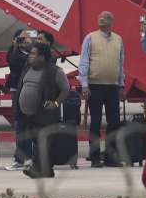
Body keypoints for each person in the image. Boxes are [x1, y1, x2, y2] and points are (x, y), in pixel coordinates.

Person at [80, 11, 125, 168]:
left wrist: (121, 85)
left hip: (113, 86)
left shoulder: (118, 39)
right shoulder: (90, 37)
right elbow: (84, 61)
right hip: (95, 86)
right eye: (99, 17)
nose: (101, 19)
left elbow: (120, 64)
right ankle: (94, 157)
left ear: (112, 21)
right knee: (96, 122)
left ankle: (111, 157)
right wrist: (84, 84)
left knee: (114, 122)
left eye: (105, 17)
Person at [21, 42, 70, 179]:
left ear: (42, 57)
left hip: (46, 114)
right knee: (37, 142)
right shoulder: (28, 69)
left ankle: (36, 170)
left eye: (33, 54)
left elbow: (66, 89)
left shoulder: (55, 71)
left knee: (43, 142)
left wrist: (55, 103)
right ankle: (47, 171)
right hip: (30, 115)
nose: (30, 56)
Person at [5, 29, 35, 170]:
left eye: (26, 38)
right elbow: (18, 61)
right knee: (20, 125)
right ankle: (20, 158)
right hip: (17, 90)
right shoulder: (14, 54)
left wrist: (33, 45)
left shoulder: (34, 53)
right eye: (21, 38)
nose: (24, 41)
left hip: (31, 90)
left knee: (29, 125)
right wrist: (16, 45)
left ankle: (29, 157)